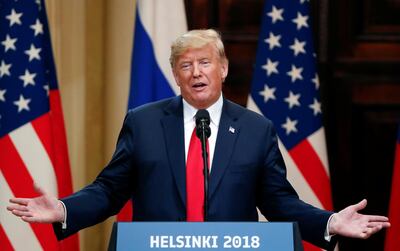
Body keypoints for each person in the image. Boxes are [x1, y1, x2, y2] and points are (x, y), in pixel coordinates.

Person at [7, 29, 390, 250]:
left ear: (222, 68)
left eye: (204, 62)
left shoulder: (256, 130)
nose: (196, 72)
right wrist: (64, 209)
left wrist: (328, 223)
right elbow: (109, 190)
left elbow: (278, 202)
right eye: (185, 66)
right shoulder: (144, 123)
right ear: (175, 75)